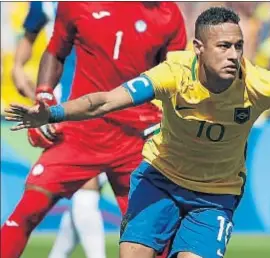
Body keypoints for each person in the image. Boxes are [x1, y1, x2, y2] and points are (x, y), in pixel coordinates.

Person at [5, 7, 270, 258]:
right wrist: (53, 112)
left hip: (214, 196)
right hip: (159, 181)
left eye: (238, 45)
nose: (233, 54)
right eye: (223, 46)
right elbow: (104, 100)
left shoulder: (261, 83)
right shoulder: (173, 73)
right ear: (198, 49)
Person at [1, 2, 186, 258]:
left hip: (136, 137)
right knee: (28, 210)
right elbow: (55, 51)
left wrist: (167, 118)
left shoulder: (167, 12)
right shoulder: (75, 4)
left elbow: (176, 75)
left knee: (152, 237)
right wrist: (43, 97)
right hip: (80, 130)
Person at [11, 2, 107, 257]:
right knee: (87, 188)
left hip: (110, 99)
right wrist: (18, 68)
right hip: (70, 103)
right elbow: (29, 37)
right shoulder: (45, 3)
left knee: (85, 193)